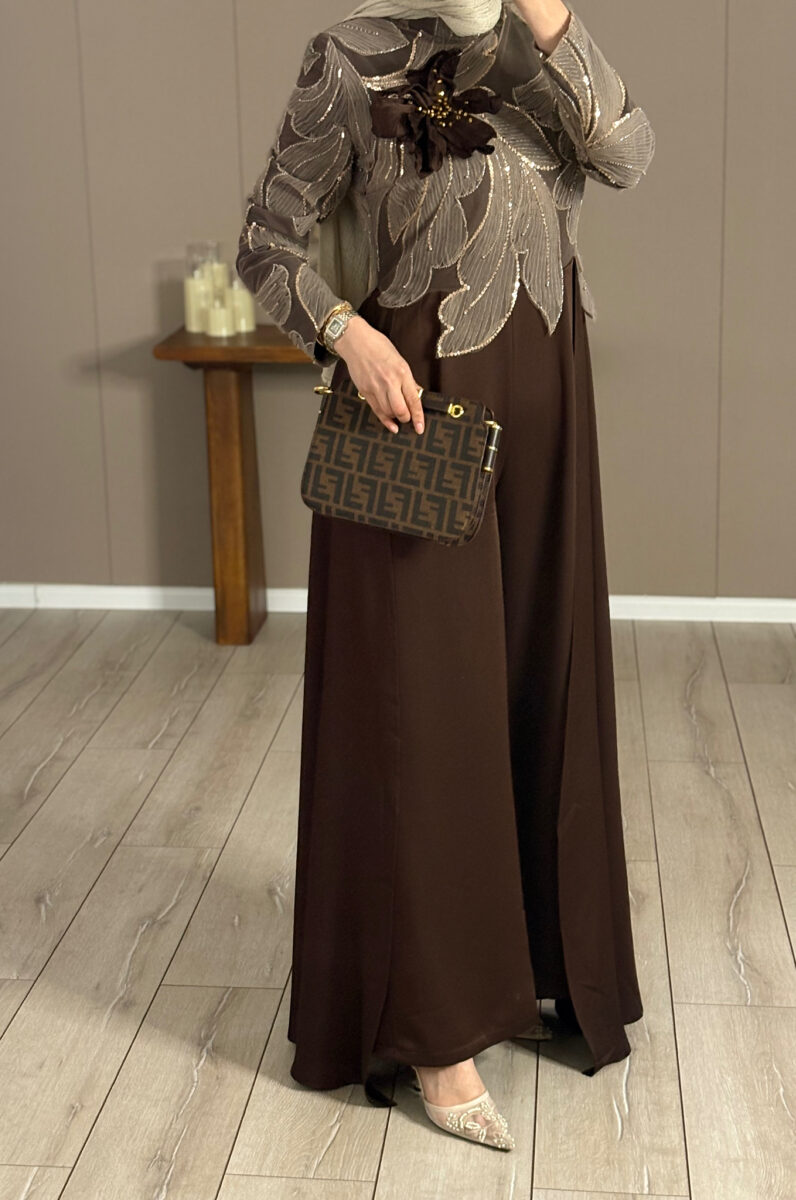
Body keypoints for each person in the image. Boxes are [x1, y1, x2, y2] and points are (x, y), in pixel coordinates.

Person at [235, 0, 655, 1150]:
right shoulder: (350, 57)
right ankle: (433, 1032)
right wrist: (346, 334)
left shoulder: (545, 51)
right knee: (422, 714)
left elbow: (628, 153)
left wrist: (548, 18)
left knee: (541, 686)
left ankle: (535, 969)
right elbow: (265, 242)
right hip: (413, 409)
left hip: (551, 411)